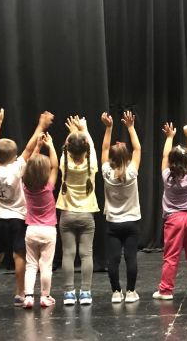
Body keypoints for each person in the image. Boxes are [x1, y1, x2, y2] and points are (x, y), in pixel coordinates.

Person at [0, 107, 53, 306]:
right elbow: (29, 150)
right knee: (19, 255)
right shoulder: (16, 168)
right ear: (14, 156)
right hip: (18, 219)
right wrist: (41, 125)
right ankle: (21, 293)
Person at [153, 123, 187, 300]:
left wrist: (169, 137)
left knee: (171, 257)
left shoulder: (167, 176)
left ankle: (166, 291)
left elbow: (164, 155)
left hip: (174, 220)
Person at [57, 116, 100, 306]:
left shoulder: (64, 163)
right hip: (86, 216)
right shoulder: (90, 164)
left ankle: (68, 293)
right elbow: (91, 147)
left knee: (68, 254)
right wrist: (84, 130)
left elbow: (67, 147)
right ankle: (85, 292)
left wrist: (73, 132)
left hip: (67, 215)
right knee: (86, 254)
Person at [100, 110, 142, 304]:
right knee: (131, 257)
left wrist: (109, 128)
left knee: (114, 259)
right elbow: (138, 149)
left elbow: (104, 149)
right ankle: (131, 292)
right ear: (126, 159)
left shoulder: (107, 172)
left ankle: (116, 292)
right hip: (131, 221)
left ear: (111, 159)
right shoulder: (132, 172)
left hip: (113, 223)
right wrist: (131, 127)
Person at [22, 133, 60, 309]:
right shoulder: (48, 187)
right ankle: (45, 297)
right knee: (46, 265)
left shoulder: (25, 185)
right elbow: (55, 166)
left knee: (31, 265)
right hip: (48, 231)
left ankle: (28, 297)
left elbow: (29, 164)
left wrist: (37, 146)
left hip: (31, 230)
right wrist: (50, 145)